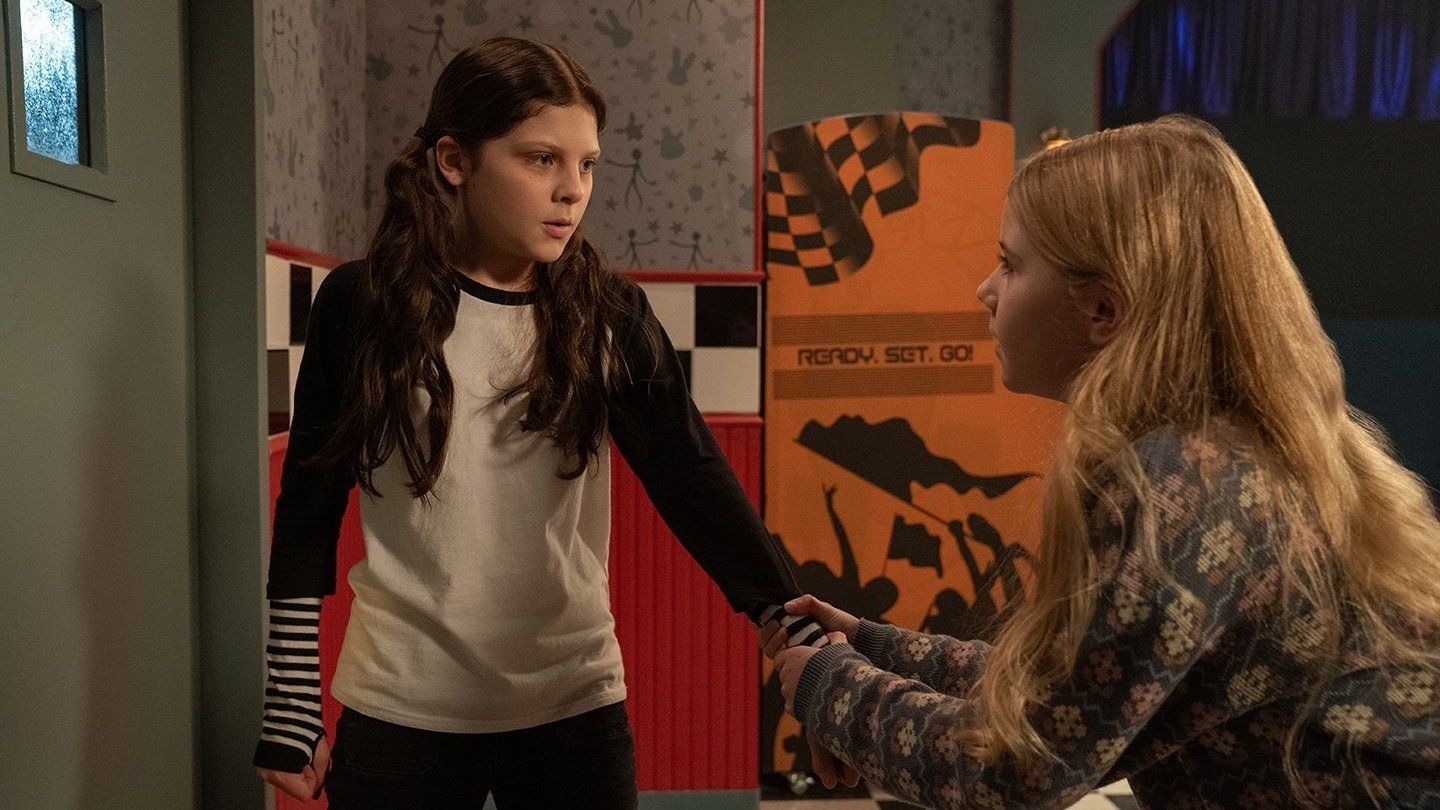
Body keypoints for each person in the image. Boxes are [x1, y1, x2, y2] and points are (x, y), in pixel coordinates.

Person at [765, 115, 1440, 808]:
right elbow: (1080, 683)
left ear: (1103, 309)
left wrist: (829, 686)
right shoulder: (1220, 457)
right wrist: (872, 648)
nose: (986, 290)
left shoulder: (1181, 486)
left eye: (1011, 264)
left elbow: (1016, 772)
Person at [252, 37, 824, 809]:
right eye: (541, 159)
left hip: (572, 706)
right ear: (454, 161)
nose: (572, 190)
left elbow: (693, 481)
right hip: (401, 708)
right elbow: (309, 502)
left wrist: (800, 639)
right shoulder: (363, 303)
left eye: (587, 164)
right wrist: (291, 697)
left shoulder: (608, 312)